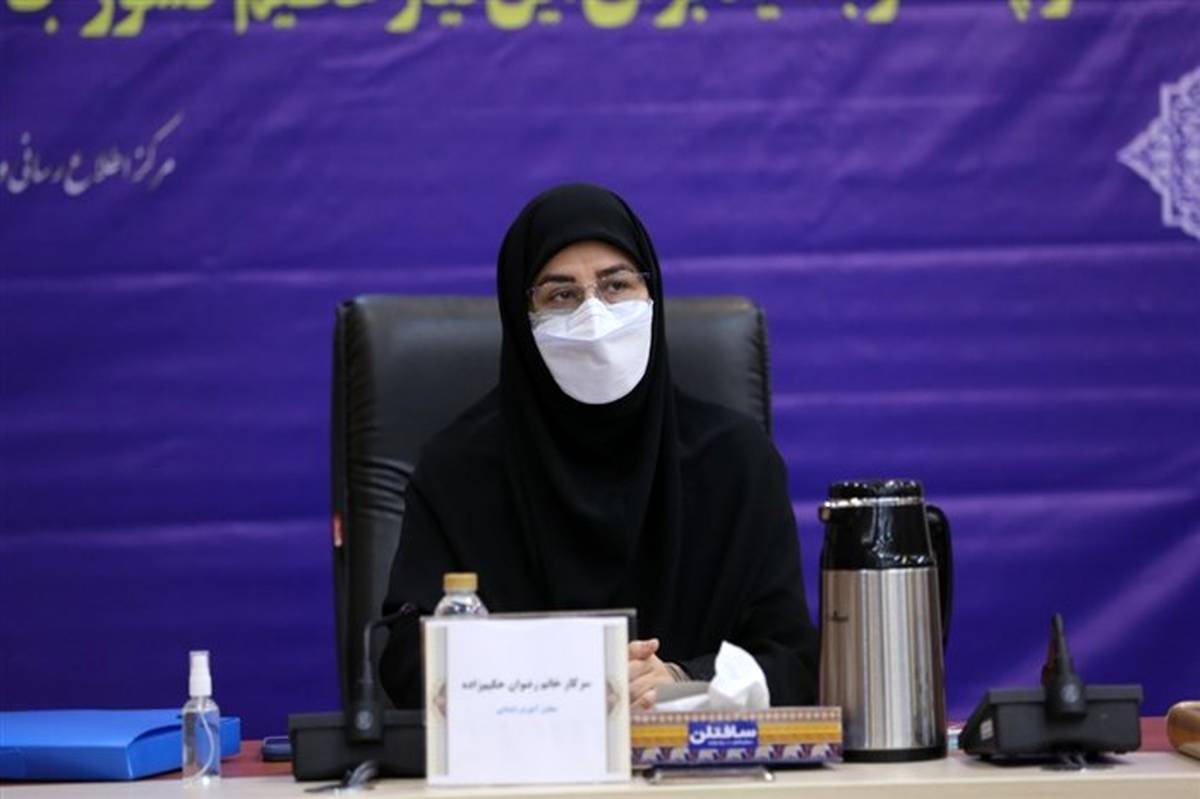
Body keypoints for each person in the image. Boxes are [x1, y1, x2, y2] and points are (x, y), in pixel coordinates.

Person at [379, 183, 819, 710]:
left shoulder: (736, 462)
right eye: (561, 295)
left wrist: (681, 679)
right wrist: (566, 679)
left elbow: (792, 660)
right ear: (520, 317)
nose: (594, 316)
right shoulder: (458, 471)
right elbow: (406, 662)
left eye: (616, 286)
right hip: (523, 751)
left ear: (651, 294)